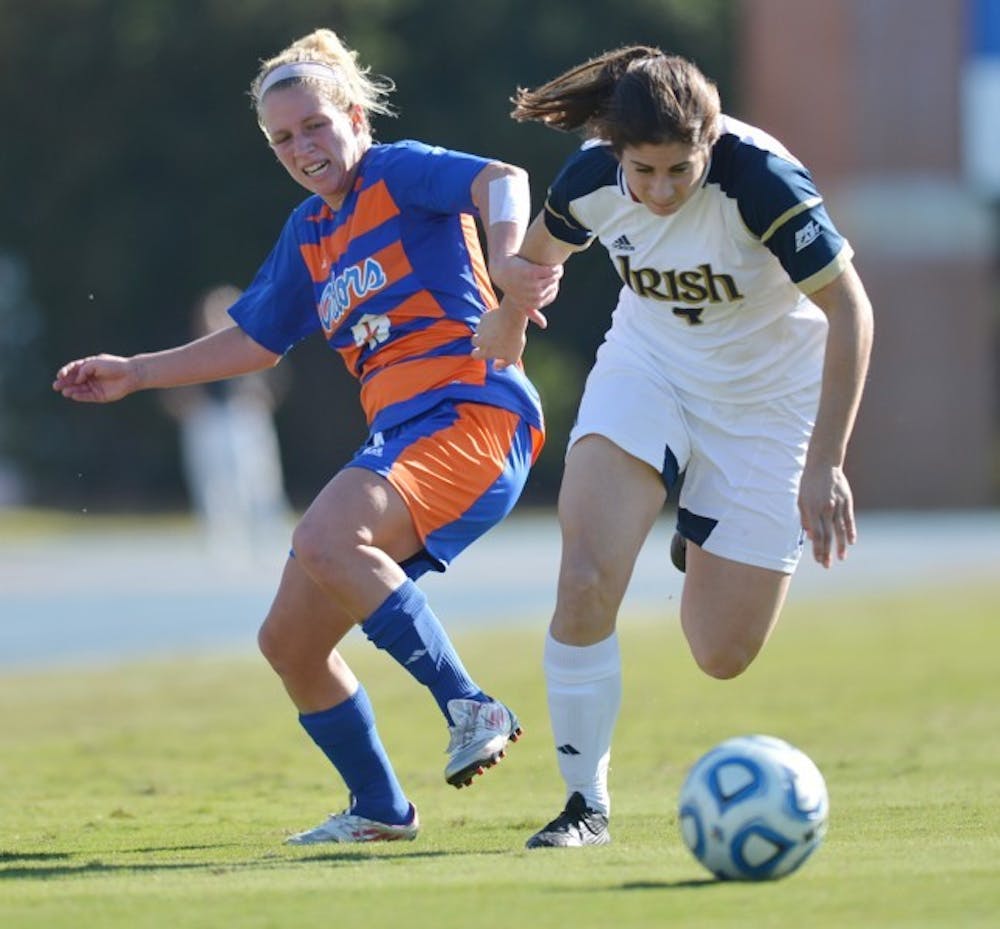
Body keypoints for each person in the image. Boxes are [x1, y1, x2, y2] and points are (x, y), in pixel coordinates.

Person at [53, 28, 562, 845]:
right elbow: (254, 339)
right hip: (404, 435)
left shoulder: (395, 173)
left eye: (315, 127)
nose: (302, 148)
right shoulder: (310, 232)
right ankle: (380, 810)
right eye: (283, 138)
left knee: (328, 535)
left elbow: (503, 178)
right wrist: (138, 371)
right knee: (289, 641)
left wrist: (506, 260)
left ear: (354, 117)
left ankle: (472, 703)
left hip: (473, 411)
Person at [471, 46, 874, 848]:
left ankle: (699, 521)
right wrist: (510, 309)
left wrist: (826, 462)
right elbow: (540, 257)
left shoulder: (760, 181)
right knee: (585, 574)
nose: (658, 191)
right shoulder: (591, 178)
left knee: (720, 652)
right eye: (643, 171)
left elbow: (852, 314)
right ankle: (585, 803)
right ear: (617, 150)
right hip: (649, 368)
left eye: (678, 171)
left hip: (768, 404)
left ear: (711, 138)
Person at [160, 284, 292, 567]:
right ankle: (223, 543)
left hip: (243, 417)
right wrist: (188, 407)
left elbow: (273, 383)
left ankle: (269, 538)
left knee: (260, 480)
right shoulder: (193, 348)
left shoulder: (254, 342)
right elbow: (172, 388)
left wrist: (259, 401)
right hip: (208, 420)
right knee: (213, 483)